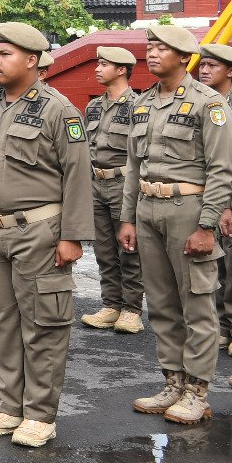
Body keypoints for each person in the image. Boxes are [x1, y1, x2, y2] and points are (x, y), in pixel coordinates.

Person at [0, 21, 91, 449]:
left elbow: (78, 175)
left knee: (44, 325)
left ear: (32, 60)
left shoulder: (59, 110)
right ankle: (9, 407)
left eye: (4, 54)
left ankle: (40, 414)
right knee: (4, 323)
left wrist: (72, 235)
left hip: (40, 231)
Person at [119, 24, 232, 425]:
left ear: (183, 57)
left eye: (161, 48)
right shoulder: (143, 103)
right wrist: (127, 217)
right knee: (163, 304)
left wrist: (207, 226)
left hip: (188, 209)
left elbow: (222, 170)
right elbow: (133, 168)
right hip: (148, 210)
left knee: (197, 304)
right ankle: (173, 381)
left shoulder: (209, 103)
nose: (151, 54)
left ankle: (198, 391)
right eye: (149, 47)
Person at [78, 46, 144, 333]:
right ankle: (111, 305)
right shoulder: (93, 106)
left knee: (128, 249)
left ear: (121, 70)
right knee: (104, 250)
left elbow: (143, 152)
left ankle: (131, 309)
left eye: (104, 64)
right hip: (95, 183)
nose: (97, 68)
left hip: (123, 182)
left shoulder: (138, 106)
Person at [195, 42, 232, 363]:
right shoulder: (198, 101)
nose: (205, 70)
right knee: (215, 258)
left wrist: (227, 200)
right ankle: (223, 323)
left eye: (213, 66)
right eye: (203, 65)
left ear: (231, 71)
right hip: (206, 186)